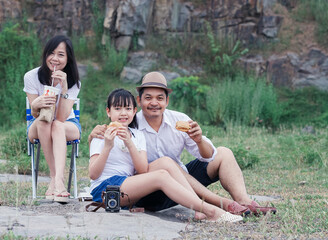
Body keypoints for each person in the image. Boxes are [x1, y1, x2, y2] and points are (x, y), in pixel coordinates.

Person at [89, 72, 276, 216]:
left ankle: (244, 203)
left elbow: (208, 155)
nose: (154, 103)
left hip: (181, 181)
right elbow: (110, 133)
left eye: (160, 98)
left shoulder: (179, 120)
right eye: (148, 98)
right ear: (139, 101)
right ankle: (219, 205)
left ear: (167, 101)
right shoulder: (131, 122)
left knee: (224, 153)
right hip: (150, 189)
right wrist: (94, 135)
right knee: (165, 164)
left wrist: (199, 139)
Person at [89, 88, 243, 223]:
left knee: (166, 163)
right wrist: (108, 146)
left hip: (129, 186)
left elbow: (142, 170)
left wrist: (129, 143)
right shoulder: (102, 134)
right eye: (117, 108)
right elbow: (93, 174)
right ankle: (212, 211)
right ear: (108, 112)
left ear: (135, 111)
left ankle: (200, 208)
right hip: (106, 190)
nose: (123, 113)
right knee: (161, 176)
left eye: (128, 108)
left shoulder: (137, 135)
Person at [24, 35, 81, 203]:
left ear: (68, 58)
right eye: (51, 53)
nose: (55, 58)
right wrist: (36, 105)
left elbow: (62, 118)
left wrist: (63, 88)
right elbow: (35, 114)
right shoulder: (31, 76)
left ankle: (56, 182)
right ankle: (56, 178)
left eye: (61, 54)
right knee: (44, 121)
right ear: (45, 55)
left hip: (66, 125)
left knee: (56, 124)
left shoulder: (74, 82)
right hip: (38, 123)